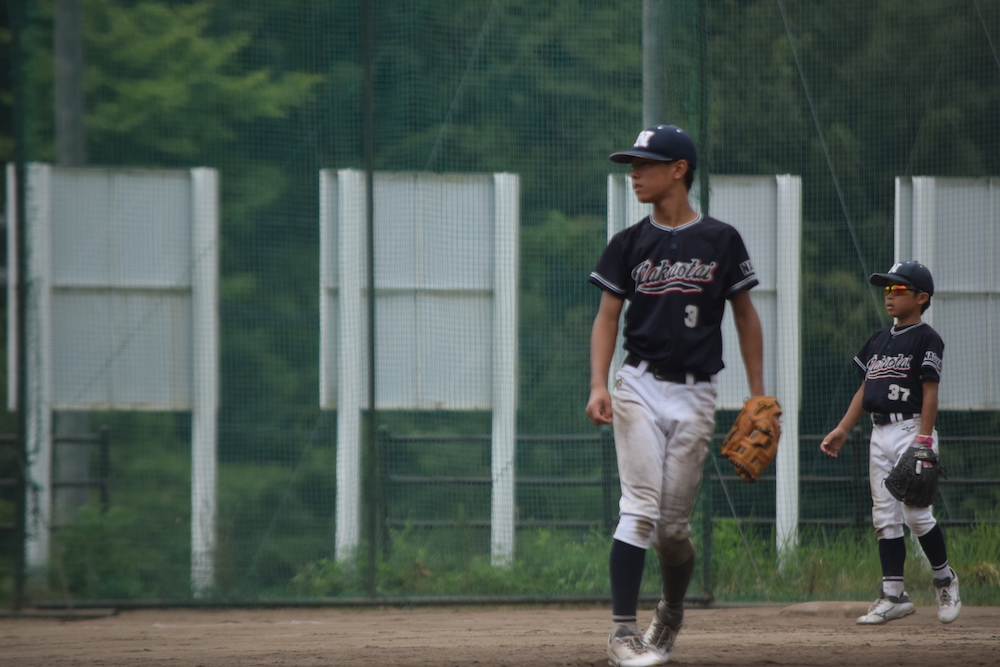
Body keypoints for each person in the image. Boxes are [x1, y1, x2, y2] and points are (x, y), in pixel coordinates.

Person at [586, 124, 768, 667]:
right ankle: (622, 633)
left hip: (697, 393)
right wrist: (598, 383)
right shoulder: (628, 243)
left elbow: (745, 316)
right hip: (638, 383)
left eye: (645, 164)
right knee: (639, 508)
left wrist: (758, 397)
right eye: (632, 165)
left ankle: (669, 613)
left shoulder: (721, 239)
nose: (634, 174)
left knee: (671, 531)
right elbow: (607, 317)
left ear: (678, 170)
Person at [820, 261, 961, 625]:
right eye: (887, 289)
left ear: (921, 297)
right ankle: (893, 595)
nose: (889, 295)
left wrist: (924, 439)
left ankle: (944, 578)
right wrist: (843, 428)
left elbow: (930, 392)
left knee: (915, 515)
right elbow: (865, 389)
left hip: (912, 429)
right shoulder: (879, 340)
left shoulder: (927, 338)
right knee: (884, 517)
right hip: (879, 431)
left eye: (898, 289)